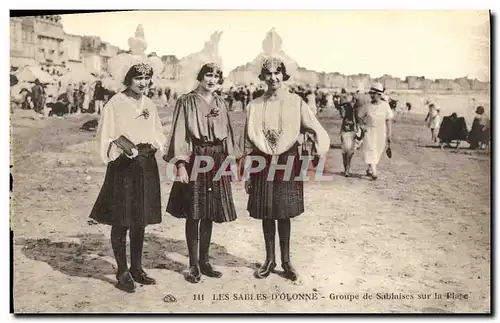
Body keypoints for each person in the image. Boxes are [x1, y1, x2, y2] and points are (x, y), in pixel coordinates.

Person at [89, 27, 166, 293]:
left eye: (147, 78)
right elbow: (106, 135)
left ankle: (136, 267)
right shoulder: (115, 103)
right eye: (138, 78)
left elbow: (158, 132)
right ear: (127, 78)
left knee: (140, 219)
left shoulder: (150, 104)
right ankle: (122, 270)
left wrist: (154, 145)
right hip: (123, 166)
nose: (143, 82)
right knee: (121, 219)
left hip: (145, 164)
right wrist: (120, 149)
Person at [241, 57, 330, 281]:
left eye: (277, 73)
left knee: (283, 211)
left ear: (283, 75)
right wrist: (247, 171)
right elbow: (248, 141)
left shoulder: (296, 102)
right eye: (268, 74)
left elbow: (314, 127)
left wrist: (318, 148)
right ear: (262, 77)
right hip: (261, 160)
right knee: (266, 210)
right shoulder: (255, 105)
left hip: (287, 160)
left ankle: (286, 261)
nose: (273, 78)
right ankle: (269, 259)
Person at [164, 62, 239, 284]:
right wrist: (180, 165)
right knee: (194, 212)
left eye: (216, 76)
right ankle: (193, 264)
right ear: (200, 76)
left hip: (216, 158)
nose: (212, 80)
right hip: (196, 156)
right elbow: (180, 133)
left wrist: (230, 161)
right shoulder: (186, 101)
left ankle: (205, 261)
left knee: (209, 213)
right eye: (208, 75)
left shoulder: (220, 102)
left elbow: (228, 135)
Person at [358, 83, 393, 180]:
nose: (371, 95)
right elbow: (360, 117)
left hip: (381, 132)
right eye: (371, 93)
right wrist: (362, 126)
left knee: (377, 151)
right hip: (369, 131)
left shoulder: (385, 106)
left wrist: (389, 134)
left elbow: (388, 120)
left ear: (379, 94)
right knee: (371, 149)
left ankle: (370, 168)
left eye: (373, 93)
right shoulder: (367, 106)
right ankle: (374, 172)